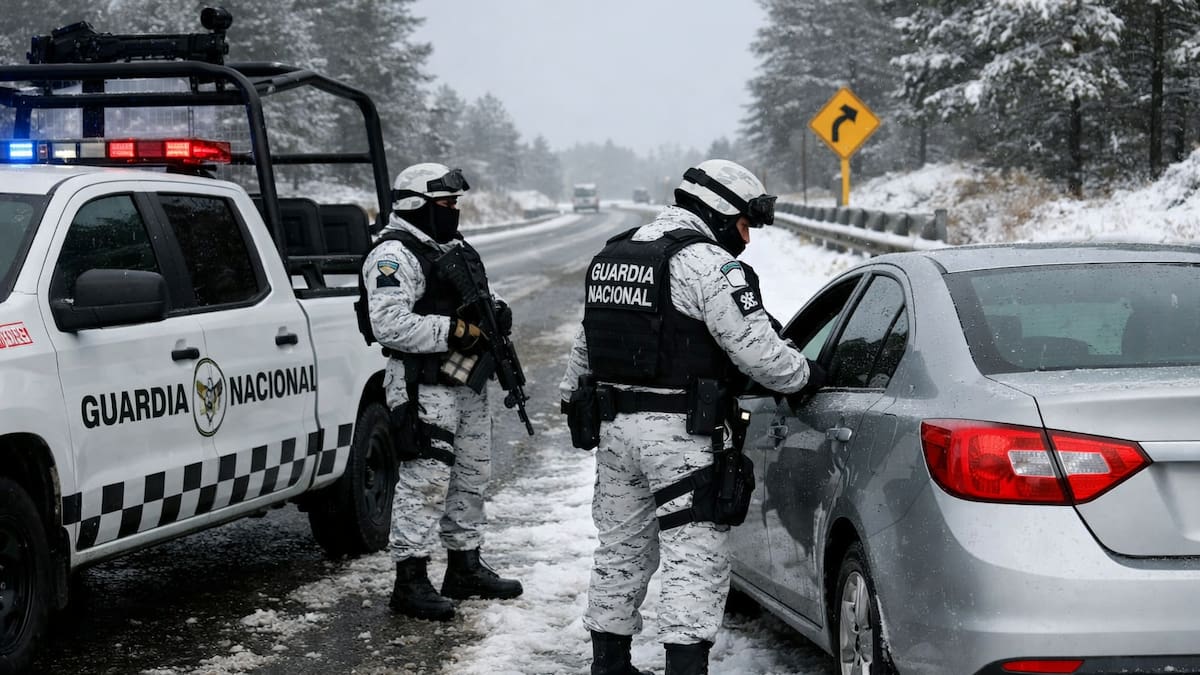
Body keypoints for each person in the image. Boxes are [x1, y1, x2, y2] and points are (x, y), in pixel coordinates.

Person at [560, 159, 824, 675]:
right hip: (681, 435)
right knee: (693, 555)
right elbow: (757, 352)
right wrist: (808, 376)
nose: (746, 238)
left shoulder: (614, 255)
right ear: (722, 211)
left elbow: (585, 345)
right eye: (746, 223)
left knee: (621, 547)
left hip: (615, 431)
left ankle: (608, 665)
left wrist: (574, 398)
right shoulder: (709, 265)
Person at [361, 162, 523, 621]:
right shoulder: (394, 255)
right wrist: (453, 330)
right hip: (421, 382)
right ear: (417, 205)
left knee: (472, 473)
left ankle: (464, 565)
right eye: (446, 204)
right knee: (426, 480)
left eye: (455, 204)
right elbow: (388, 323)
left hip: (464, 381)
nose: (453, 212)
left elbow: (468, 301)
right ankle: (409, 579)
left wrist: (494, 314)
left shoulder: (451, 247)